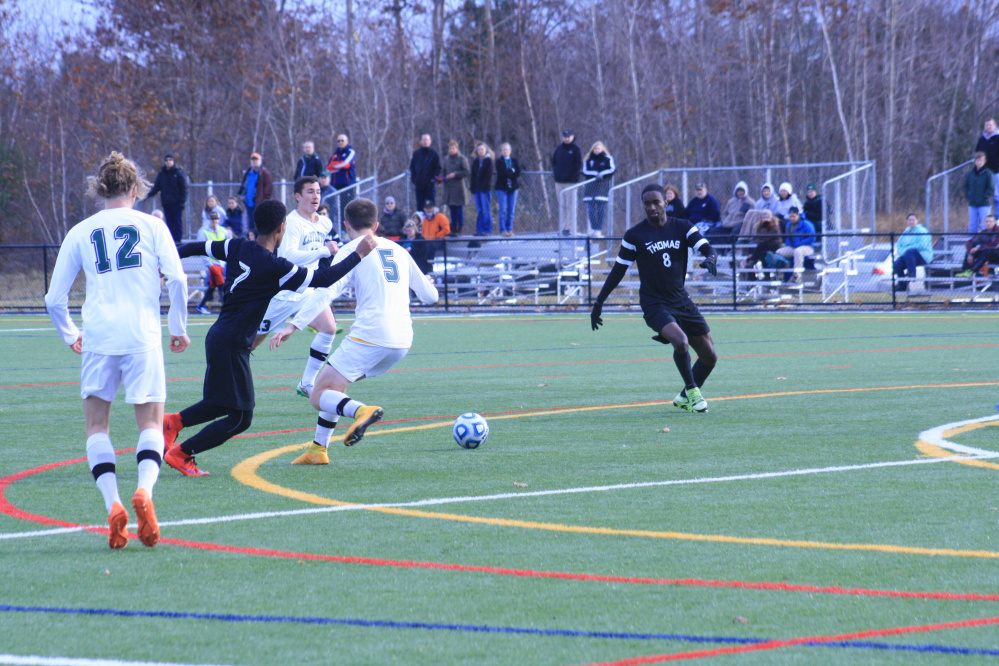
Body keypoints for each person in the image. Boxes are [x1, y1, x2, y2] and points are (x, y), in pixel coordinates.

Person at [162, 200, 377, 476]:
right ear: (281, 228)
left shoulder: (236, 245)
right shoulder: (277, 267)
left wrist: (164, 262)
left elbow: (194, 247)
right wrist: (358, 254)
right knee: (241, 417)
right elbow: (323, 278)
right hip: (231, 343)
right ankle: (182, 454)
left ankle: (173, 423)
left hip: (221, 337)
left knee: (221, 403)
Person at [44, 151, 190, 548]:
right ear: (137, 189)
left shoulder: (81, 231)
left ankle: (113, 504)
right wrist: (178, 327)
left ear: (100, 190)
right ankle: (145, 491)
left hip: (99, 336)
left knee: (97, 428)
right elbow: (177, 279)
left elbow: (54, 298)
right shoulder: (151, 225)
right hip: (142, 334)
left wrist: (70, 333)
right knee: (149, 425)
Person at [267, 198, 440, 464]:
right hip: (402, 341)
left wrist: (294, 324)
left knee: (318, 395)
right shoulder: (398, 249)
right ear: (377, 224)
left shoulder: (351, 249)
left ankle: (362, 411)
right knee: (335, 387)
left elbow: (325, 293)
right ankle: (317, 450)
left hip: (371, 336)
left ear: (346, 225)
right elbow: (430, 297)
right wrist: (427, 282)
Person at [590, 184, 718, 413]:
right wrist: (598, 303)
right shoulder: (635, 235)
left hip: (682, 301)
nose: (652, 207)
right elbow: (618, 271)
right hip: (654, 304)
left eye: (656, 202)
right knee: (680, 342)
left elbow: (706, 247)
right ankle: (692, 392)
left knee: (710, 357)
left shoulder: (682, 227)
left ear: (665, 203)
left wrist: (711, 259)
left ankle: (682, 398)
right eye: (647, 204)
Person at [250, 176, 342, 397]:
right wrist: (323, 251)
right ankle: (228, 370)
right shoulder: (291, 222)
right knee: (251, 342)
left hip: (309, 289)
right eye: (310, 191)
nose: (316, 196)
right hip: (285, 291)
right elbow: (287, 256)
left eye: (318, 191)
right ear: (298, 196)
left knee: (329, 328)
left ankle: (307, 383)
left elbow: (329, 251)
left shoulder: (324, 222)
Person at [146, 154, 188, 242]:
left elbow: (184, 188)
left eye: (170, 160)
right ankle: (171, 240)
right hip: (166, 202)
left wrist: (182, 202)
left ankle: (178, 241)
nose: (168, 162)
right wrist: (147, 194)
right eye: (166, 160)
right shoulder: (162, 174)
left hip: (176, 203)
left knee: (177, 222)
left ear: (173, 161)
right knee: (169, 222)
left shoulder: (178, 173)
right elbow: (157, 187)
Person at [195, 211, 230, 314]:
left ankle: (201, 305)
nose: (214, 221)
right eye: (212, 219)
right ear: (209, 220)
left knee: (213, 285)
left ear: (219, 220)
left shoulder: (223, 231)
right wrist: (208, 264)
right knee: (221, 283)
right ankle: (225, 307)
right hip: (211, 263)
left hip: (221, 262)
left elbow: (230, 244)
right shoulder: (203, 231)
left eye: (216, 219)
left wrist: (225, 260)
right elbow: (201, 248)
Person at [582, 141, 616, 236]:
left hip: (602, 188)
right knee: (591, 210)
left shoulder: (607, 159)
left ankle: (598, 230)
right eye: (595, 148)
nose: (597, 150)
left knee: (601, 209)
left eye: (599, 148)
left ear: (602, 149)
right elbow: (585, 171)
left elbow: (612, 170)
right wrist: (595, 175)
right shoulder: (588, 160)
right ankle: (593, 228)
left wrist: (602, 174)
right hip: (590, 188)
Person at [553, 129, 583, 234]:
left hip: (571, 182)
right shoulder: (559, 149)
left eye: (568, 136)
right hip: (559, 182)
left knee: (570, 205)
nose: (566, 138)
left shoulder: (575, 149)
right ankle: (562, 226)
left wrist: (572, 176)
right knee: (562, 205)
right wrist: (557, 174)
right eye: (565, 136)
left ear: (572, 136)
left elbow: (578, 165)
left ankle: (569, 227)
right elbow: (554, 162)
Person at [892, 213, 933, 289]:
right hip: (908, 257)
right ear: (907, 221)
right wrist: (905, 251)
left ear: (917, 221)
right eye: (909, 220)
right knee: (897, 264)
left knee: (910, 251)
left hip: (922, 257)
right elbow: (899, 246)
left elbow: (922, 245)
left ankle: (912, 274)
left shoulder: (922, 231)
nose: (911, 221)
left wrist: (908, 249)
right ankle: (902, 285)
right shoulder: (906, 232)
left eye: (913, 220)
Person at [775, 208, 816, 283]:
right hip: (793, 247)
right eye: (790, 216)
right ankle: (780, 273)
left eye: (794, 216)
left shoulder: (806, 224)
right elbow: (787, 238)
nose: (792, 218)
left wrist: (800, 243)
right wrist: (790, 244)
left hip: (807, 247)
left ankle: (797, 276)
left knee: (798, 251)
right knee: (779, 252)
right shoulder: (788, 225)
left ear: (798, 216)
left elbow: (811, 238)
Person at [237, 153, 273, 235]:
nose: (254, 162)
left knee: (260, 223)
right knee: (251, 224)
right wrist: (243, 197)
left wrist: (265, 201)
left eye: (256, 159)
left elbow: (269, 188)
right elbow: (244, 186)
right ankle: (252, 242)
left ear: (260, 161)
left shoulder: (264, 173)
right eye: (253, 160)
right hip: (249, 203)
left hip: (259, 203)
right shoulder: (248, 172)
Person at [327, 134, 357, 230]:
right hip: (335, 186)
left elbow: (346, 164)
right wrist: (339, 166)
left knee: (347, 208)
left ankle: (347, 229)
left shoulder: (350, 152)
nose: (340, 143)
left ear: (347, 141)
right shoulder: (335, 154)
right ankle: (338, 229)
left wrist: (335, 165)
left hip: (347, 185)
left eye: (342, 141)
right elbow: (328, 168)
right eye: (338, 141)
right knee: (336, 209)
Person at [442, 140, 470, 236]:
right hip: (449, 188)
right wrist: (441, 178)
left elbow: (466, 171)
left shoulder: (462, 159)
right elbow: (443, 171)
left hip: (458, 189)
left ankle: (459, 229)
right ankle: (453, 228)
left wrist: (455, 174)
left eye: (453, 148)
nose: (452, 150)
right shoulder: (446, 159)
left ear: (457, 149)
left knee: (459, 210)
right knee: (452, 209)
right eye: (450, 148)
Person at [964, 152, 995, 234]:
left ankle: (985, 244)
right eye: (977, 160)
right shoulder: (970, 174)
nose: (979, 162)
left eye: (981, 160)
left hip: (984, 204)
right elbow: (965, 186)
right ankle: (971, 242)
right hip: (972, 204)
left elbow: (991, 188)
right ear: (975, 161)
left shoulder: (988, 173)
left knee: (985, 225)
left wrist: (985, 197)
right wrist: (968, 196)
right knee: (972, 225)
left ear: (984, 161)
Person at [494, 142, 520, 236]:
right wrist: (511, 171)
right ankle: (503, 230)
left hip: (513, 188)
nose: (505, 151)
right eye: (503, 149)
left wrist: (510, 172)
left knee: (511, 209)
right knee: (503, 209)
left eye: (507, 149)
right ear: (501, 151)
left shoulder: (514, 161)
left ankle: (509, 229)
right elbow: (502, 173)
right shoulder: (499, 161)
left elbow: (518, 173)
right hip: (502, 188)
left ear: (510, 151)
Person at [410, 134, 441, 211]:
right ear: (421, 141)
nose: (425, 141)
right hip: (419, 185)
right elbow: (412, 167)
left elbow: (438, 167)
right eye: (423, 140)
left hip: (429, 185)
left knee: (430, 205)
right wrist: (414, 180)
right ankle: (421, 223)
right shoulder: (416, 154)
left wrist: (433, 179)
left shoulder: (434, 154)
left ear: (430, 141)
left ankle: (431, 222)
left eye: (427, 140)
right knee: (420, 206)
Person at [975, 118, 999, 214]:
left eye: (990, 125)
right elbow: (977, 153)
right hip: (984, 172)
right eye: (986, 125)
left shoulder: (998, 138)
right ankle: (987, 221)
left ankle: (998, 218)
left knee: (997, 195)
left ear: (995, 126)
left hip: (996, 171)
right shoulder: (982, 139)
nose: (988, 127)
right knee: (985, 195)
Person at [470, 142, 494, 236]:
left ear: (486, 150)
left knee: (486, 209)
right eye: (478, 150)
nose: (480, 151)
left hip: (485, 189)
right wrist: (473, 187)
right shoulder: (476, 162)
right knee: (479, 210)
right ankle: (479, 230)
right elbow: (473, 175)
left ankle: (487, 230)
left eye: (482, 149)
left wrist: (484, 187)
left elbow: (488, 176)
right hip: (477, 189)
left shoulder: (489, 161)